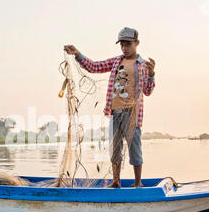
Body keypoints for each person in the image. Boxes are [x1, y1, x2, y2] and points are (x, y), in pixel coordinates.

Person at [64, 27, 156, 188]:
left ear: (137, 43)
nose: (124, 48)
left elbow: (147, 91)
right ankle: (116, 181)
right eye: (122, 45)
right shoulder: (116, 61)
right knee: (114, 150)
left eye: (128, 44)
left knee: (134, 148)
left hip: (132, 114)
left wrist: (152, 74)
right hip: (114, 112)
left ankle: (137, 183)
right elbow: (94, 66)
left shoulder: (143, 66)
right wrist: (77, 54)